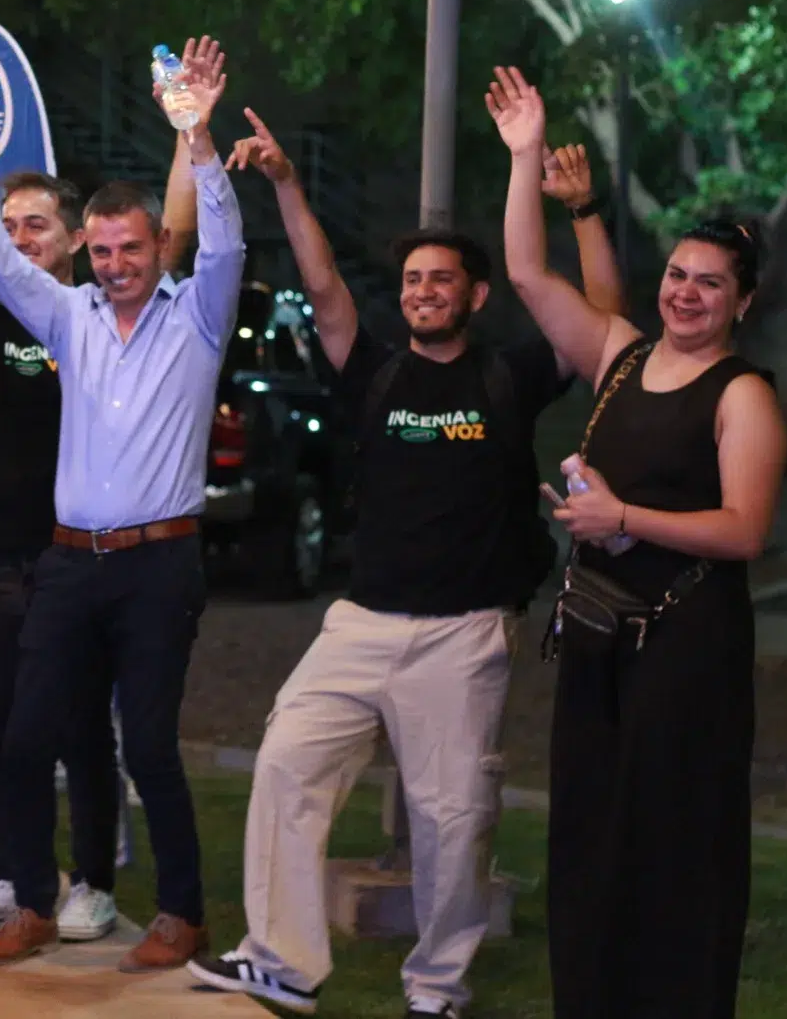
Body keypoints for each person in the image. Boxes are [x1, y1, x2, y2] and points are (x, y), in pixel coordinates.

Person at [184, 103, 625, 1016]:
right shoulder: (375, 371)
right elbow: (323, 282)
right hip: (360, 625)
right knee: (285, 767)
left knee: (452, 823)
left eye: (444, 280)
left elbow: (601, 323)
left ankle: (437, 988)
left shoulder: (508, 374)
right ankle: (284, 961)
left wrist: (568, 202)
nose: (425, 290)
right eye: (415, 279)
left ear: (476, 295)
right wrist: (287, 184)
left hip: (465, 637)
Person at [0, 34, 239, 970]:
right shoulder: (65, 316)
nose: (115, 263)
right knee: (19, 740)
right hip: (66, 561)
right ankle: (30, 900)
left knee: (148, 745)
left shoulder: (199, 316)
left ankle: (184, 912)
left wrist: (199, 140)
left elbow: (227, 239)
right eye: (100, 250)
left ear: (157, 247)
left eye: (130, 248)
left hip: (158, 563)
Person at [490, 65, 785, 1019]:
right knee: (590, 836)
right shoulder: (619, 356)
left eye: (710, 283)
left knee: (674, 849)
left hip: (688, 651)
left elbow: (744, 529)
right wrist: (525, 154)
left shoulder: (743, 394)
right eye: (677, 275)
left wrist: (624, 519)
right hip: (600, 642)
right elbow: (530, 274)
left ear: (740, 303)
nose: (686, 293)